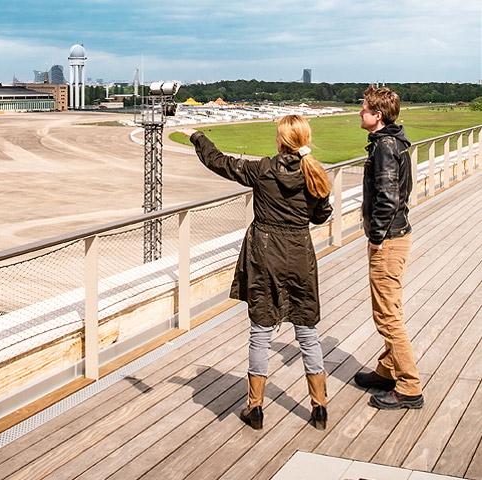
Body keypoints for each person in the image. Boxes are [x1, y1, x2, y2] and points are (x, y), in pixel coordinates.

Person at [180, 114, 332, 430]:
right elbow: (320, 216)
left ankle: (256, 408)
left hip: (264, 256)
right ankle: (319, 408)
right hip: (299, 256)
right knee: (306, 330)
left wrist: (197, 136)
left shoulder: (262, 170)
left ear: (281, 141)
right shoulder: (313, 173)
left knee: (261, 331)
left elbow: (220, 162)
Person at [353, 85, 423, 409]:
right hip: (397, 235)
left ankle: (409, 385)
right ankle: (388, 369)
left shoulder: (384, 147)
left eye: (364, 108)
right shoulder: (392, 142)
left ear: (377, 116)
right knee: (387, 307)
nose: (360, 112)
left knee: (388, 315)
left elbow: (388, 199)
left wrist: (376, 237)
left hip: (389, 240)